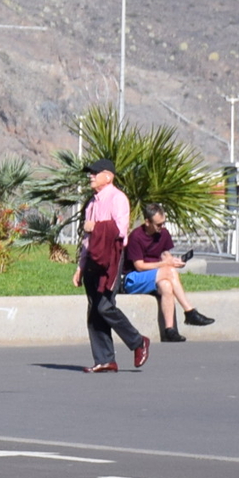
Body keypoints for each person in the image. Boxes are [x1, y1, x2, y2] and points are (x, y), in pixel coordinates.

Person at [75, 158, 148, 373]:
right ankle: (105, 360)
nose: (91, 176)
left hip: (112, 258)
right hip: (92, 261)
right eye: (90, 173)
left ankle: (138, 342)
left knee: (105, 305)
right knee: (94, 311)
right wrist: (80, 266)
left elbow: (120, 230)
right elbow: (87, 240)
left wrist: (95, 226)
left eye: (95, 172)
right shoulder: (91, 203)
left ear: (108, 176)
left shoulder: (118, 198)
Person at [121, 201, 213, 342]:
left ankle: (169, 330)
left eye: (163, 223)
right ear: (147, 222)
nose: (161, 227)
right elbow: (139, 266)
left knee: (166, 285)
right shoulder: (136, 237)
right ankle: (189, 311)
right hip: (133, 279)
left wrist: (174, 261)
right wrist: (165, 264)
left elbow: (165, 254)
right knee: (168, 272)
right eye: (158, 224)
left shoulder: (163, 233)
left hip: (155, 276)